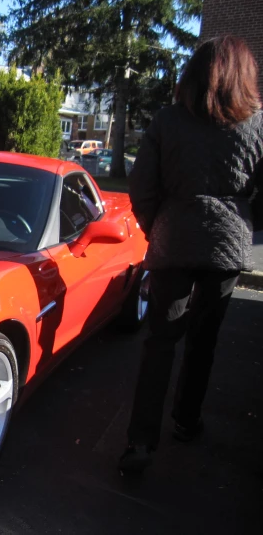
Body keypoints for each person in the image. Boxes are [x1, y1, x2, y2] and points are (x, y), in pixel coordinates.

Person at [118, 35, 263, 473]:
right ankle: (186, 420)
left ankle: (140, 444)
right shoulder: (258, 125)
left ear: (194, 74)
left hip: (174, 242)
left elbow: (141, 190)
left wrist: (157, 227)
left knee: (160, 342)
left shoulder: (167, 121)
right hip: (227, 248)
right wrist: (244, 221)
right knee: (204, 339)